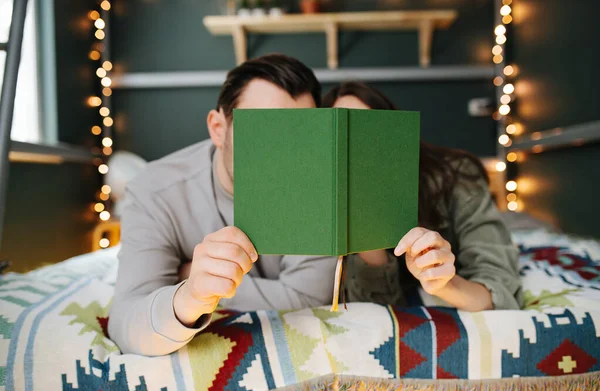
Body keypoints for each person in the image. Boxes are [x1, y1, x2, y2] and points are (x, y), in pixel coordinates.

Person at [108, 54, 343, 356]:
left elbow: (308, 301)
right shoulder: (155, 191)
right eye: (264, 131)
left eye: (301, 134)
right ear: (218, 128)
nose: (283, 154)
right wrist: (192, 294)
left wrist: (193, 278)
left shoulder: (321, 186)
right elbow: (127, 323)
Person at [322, 82, 522, 312]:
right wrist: (369, 240)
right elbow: (376, 316)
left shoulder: (456, 175)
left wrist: (444, 284)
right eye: (344, 139)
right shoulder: (330, 203)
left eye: (369, 130)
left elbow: (500, 290)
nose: (360, 149)